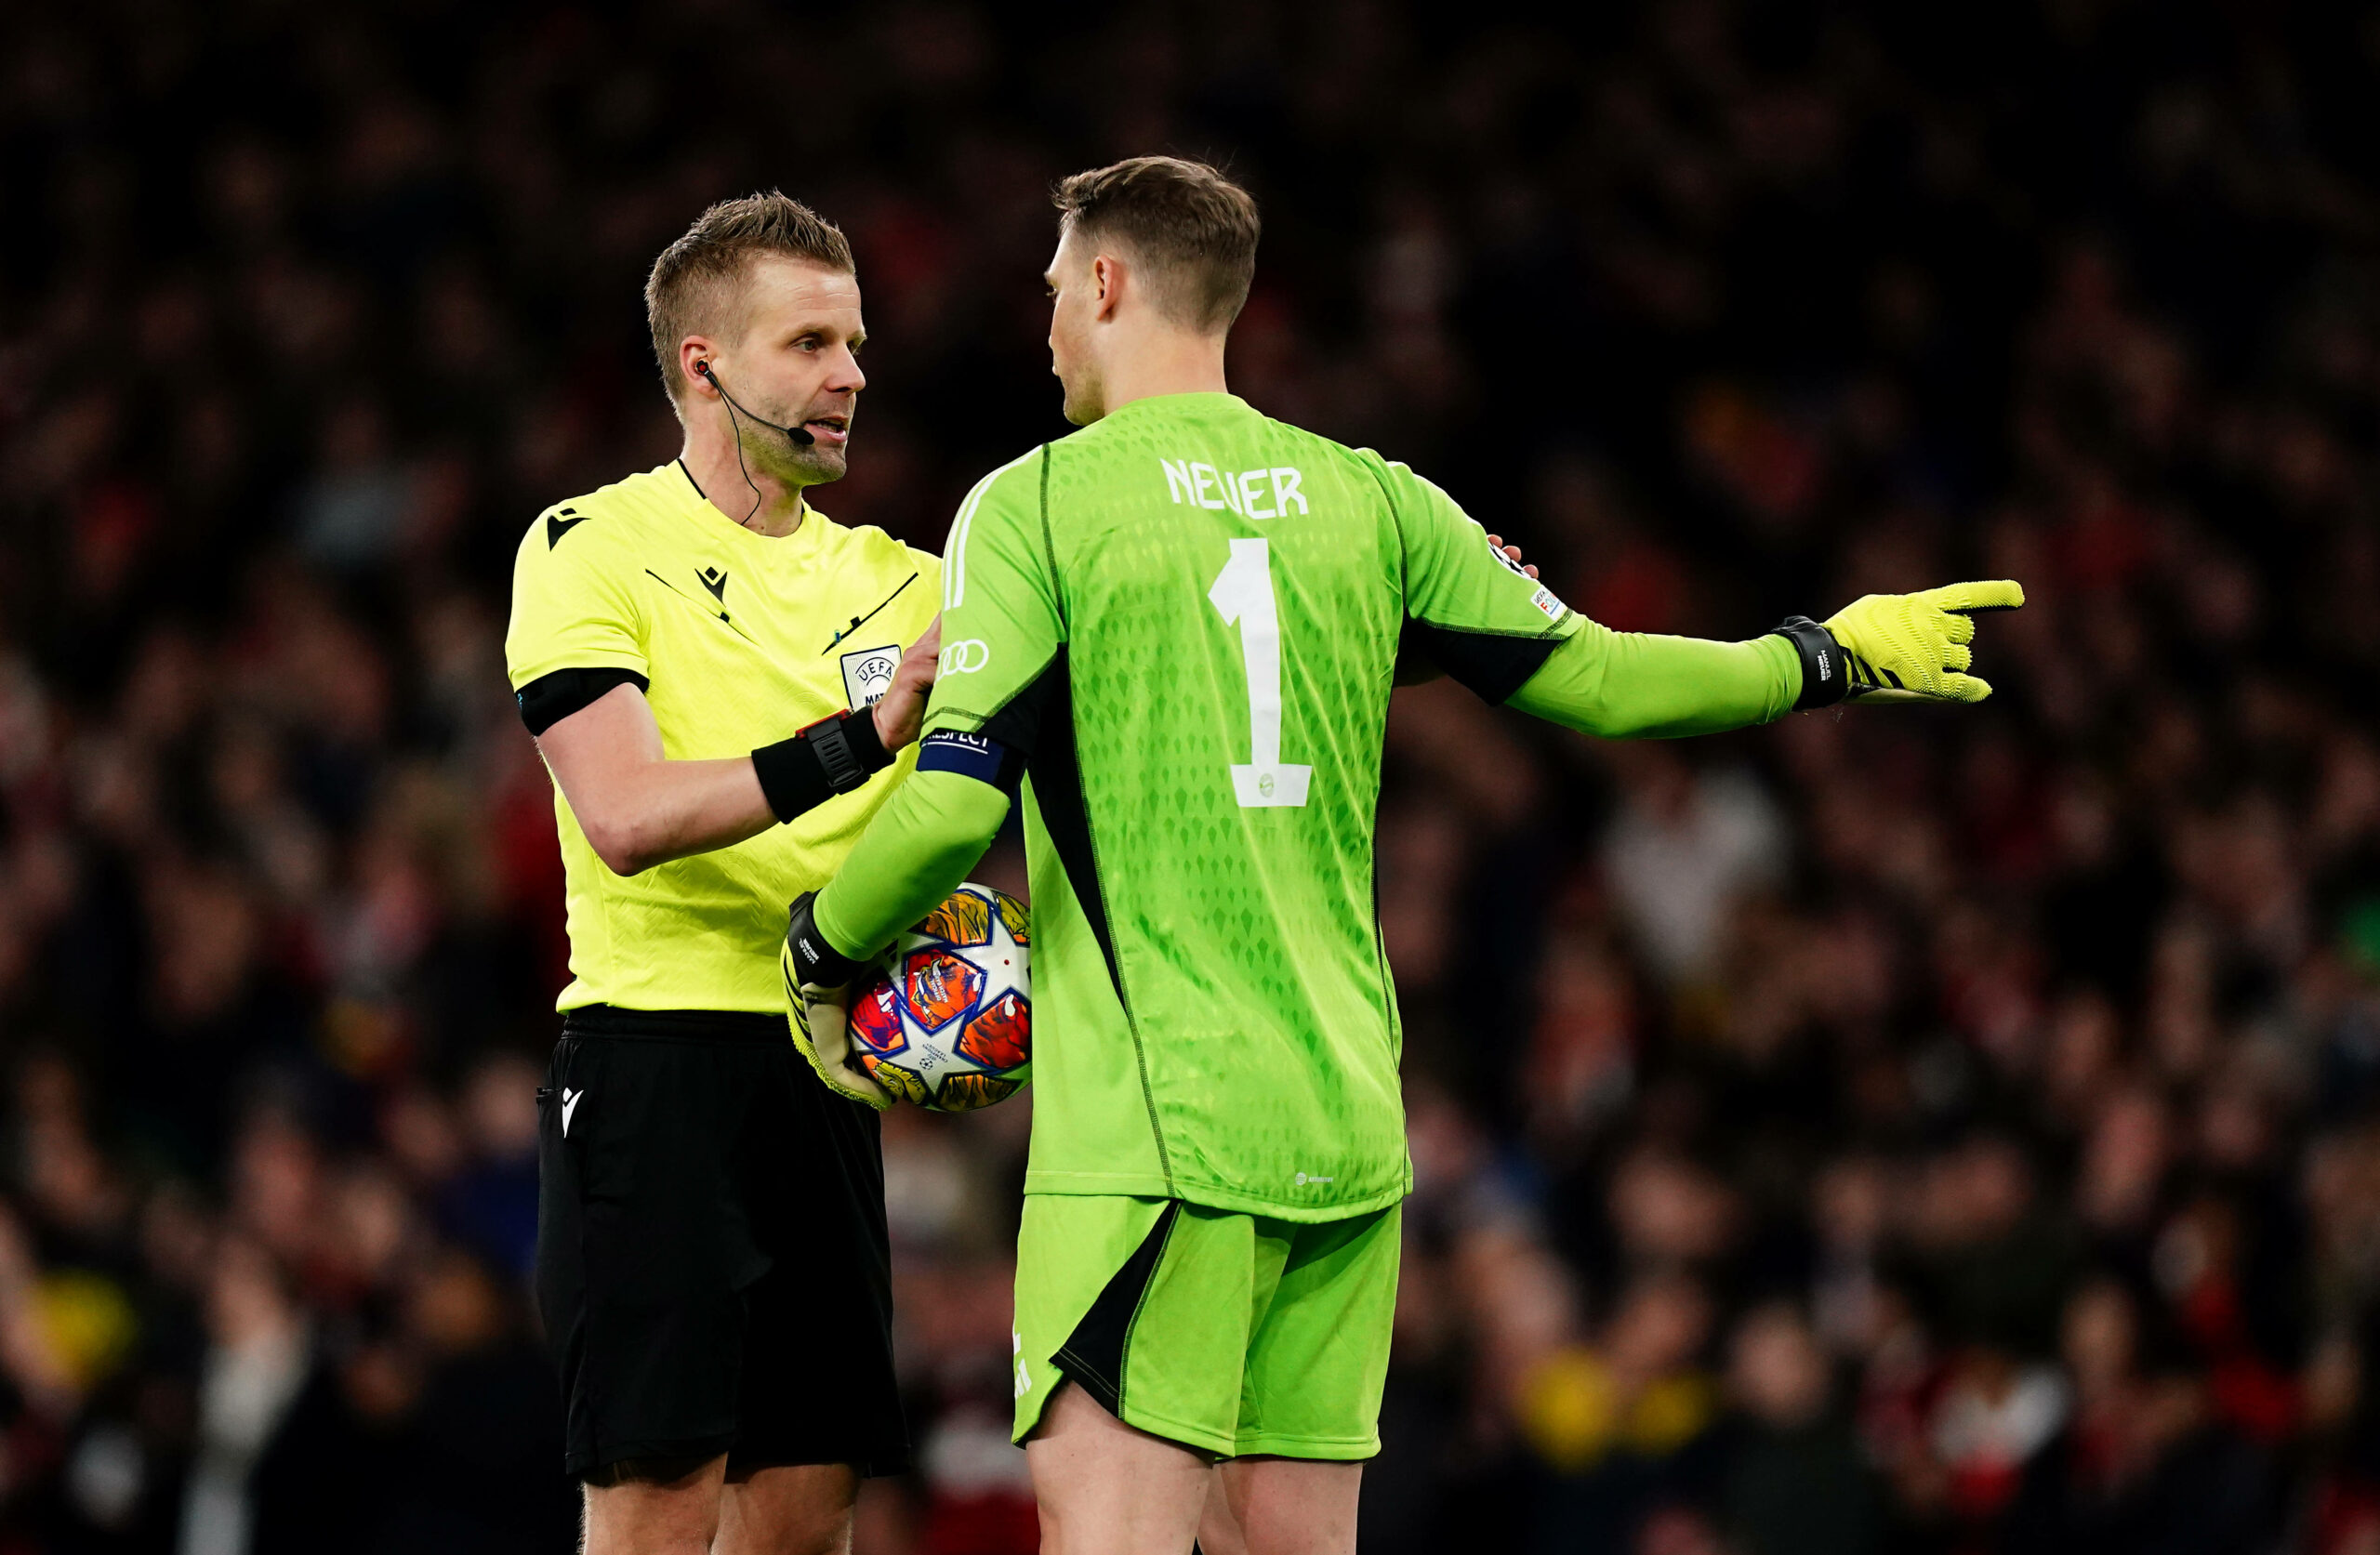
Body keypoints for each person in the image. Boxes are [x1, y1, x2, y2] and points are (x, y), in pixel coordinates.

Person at [783, 155, 2021, 1555]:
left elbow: (952, 810)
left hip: (1155, 1138)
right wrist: (1826, 654)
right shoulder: (1372, 500)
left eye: (1059, 288)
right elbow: (1609, 682)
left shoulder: (1038, 505)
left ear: (1114, 282)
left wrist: (825, 948)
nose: (1048, 321)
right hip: (1345, 1122)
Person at [504, 191, 939, 1555]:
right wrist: (860, 740)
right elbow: (625, 810)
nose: (851, 373)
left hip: (828, 1067)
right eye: (810, 342)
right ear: (704, 364)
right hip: (655, 1061)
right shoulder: (590, 546)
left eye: (855, 341)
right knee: (654, 1504)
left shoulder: (920, 583)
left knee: (809, 1512)